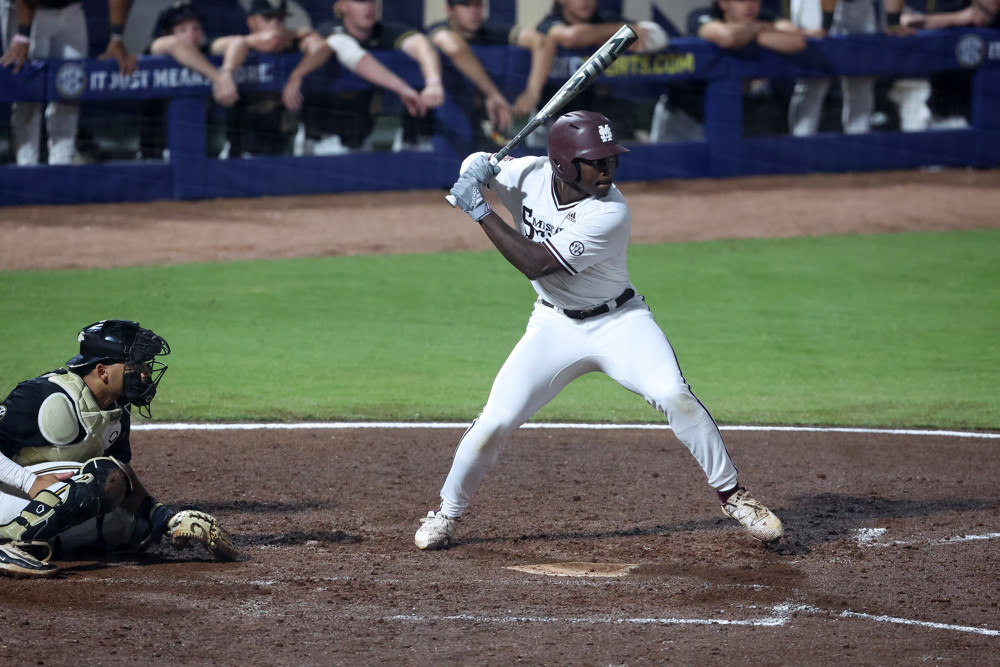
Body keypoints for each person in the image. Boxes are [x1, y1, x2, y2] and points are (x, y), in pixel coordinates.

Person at [414, 110, 784, 552]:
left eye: (612, 159)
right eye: (597, 160)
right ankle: (446, 513)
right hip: (553, 325)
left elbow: (536, 262)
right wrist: (477, 167)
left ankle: (734, 496)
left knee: (673, 394)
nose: (608, 168)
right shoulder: (526, 174)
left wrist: (479, 210)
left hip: (620, 324)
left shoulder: (610, 213)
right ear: (564, 165)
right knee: (494, 421)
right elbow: (479, 164)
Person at [0, 320, 177, 578]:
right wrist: (29, 481)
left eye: (146, 364)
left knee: (134, 527)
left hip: (36, 503)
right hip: (12, 493)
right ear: (102, 370)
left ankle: (34, 540)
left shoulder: (116, 410)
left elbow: (120, 471)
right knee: (103, 478)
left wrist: (160, 514)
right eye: (136, 363)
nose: (145, 373)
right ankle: (11, 544)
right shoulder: (46, 398)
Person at [0, 0, 135, 165]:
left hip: (71, 10)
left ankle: (62, 162)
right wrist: (23, 36)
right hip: (24, 9)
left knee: (71, 87)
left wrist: (117, 38)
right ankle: (26, 166)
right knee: (29, 92)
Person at [301, 0, 444, 153]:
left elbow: (421, 45)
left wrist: (433, 82)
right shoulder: (328, 30)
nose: (368, 7)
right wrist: (403, 89)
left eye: (372, 1)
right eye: (360, 1)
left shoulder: (382, 32)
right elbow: (353, 54)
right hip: (321, 140)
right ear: (343, 6)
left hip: (361, 138)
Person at [425, 0, 555, 149]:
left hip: (491, 125)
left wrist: (532, 92)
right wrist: (493, 94)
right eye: (465, 5)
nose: (473, 11)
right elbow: (454, 47)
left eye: (478, 5)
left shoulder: (490, 30)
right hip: (438, 129)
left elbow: (542, 42)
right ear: (449, 10)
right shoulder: (438, 29)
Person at [536, 0, 670, 141]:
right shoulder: (550, 22)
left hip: (599, 121)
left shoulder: (606, 19)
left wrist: (595, 36)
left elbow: (656, 35)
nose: (585, 2)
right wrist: (620, 30)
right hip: (554, 121)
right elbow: (571, 37)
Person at [211, 0, 331, 157]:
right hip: (240, 154)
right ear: (251, 21)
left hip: (281, 152)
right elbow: (232, 43)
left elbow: (322, 47)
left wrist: (297, 75)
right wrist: (226, 73)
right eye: (268, 18)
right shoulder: (238, 45)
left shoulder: (292, 46)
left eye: (280, 19)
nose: (275, 25)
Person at [138, 0, 249, 160]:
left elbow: (239, 42)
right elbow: (173, 44)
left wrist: (226, 72)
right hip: (157, 157)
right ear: (166, 33)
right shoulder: (158, 48)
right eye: (182, 29)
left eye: (196, 28)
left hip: (203, 155)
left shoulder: (204, 50)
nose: (191, 34)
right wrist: (217, 77)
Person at [787, 0, 910, 135]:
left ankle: (859, 148)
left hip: (860, 5)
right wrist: (825, 27)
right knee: (815, 81)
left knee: (860, 81)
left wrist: (894, 24)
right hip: (813, 5)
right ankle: (801, 146)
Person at [899, 0, 1000, 128]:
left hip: (992, 119)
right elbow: (904, 22)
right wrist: (958, 18)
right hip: (946, 117)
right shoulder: (955, 11)